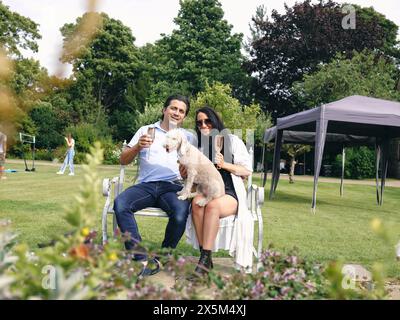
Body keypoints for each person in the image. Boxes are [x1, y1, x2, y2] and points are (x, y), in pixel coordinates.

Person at [113, 94, 195, 277]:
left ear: (184, 116)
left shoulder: (188, 136)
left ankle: (162, 256)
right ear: (164, 110)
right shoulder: (146, 130)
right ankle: (139, 256)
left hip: (173, 187)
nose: (177, 113)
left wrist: (187, 171)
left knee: (181, 214)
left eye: (181, 111)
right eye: (173, 108)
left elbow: (196, 164)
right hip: (146, 186)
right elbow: (123, 160)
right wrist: (137, 148)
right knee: (121, 204)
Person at [182, 106, 254, 276]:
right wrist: (184, 172)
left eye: (207, 121)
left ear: (215, 121)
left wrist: (224, 165)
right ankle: (205, 257)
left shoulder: (232, 141)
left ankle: (204, 263)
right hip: (208, 190)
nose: (204, 125)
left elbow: (247, 170)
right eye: (200, 123)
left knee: (212, 206)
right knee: (197, 204)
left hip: (230, 192)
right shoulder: (199, 147)